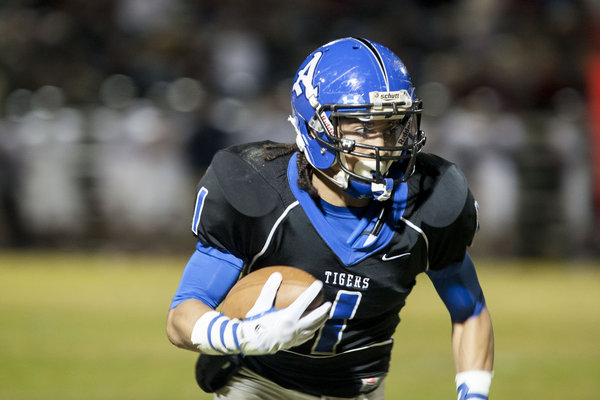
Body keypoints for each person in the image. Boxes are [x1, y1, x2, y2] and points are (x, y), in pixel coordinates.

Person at [166, 37, 494, 400]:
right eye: (364, 127)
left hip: (358, 391)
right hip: (258, 384)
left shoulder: (431, 199)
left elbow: (470, 311)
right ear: (316, 127)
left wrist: (474, 395)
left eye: (391, 126)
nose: (383, 145)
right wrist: (244, 336)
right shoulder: (256, 189)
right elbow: (182, 314)